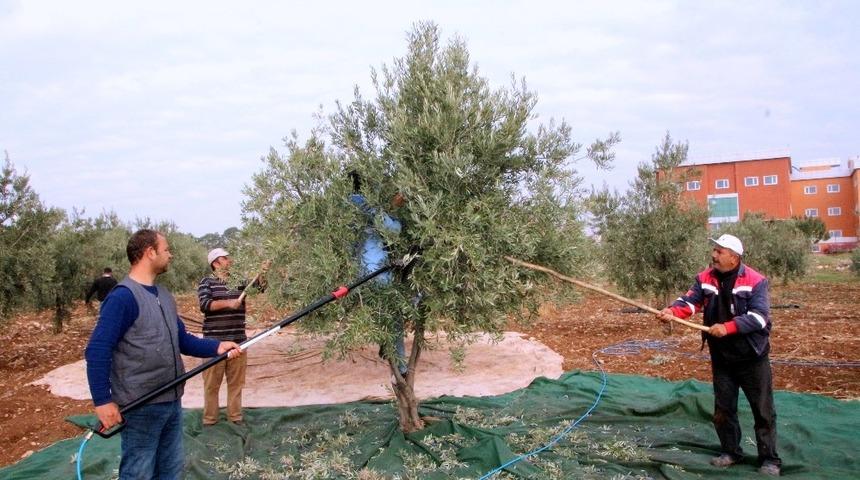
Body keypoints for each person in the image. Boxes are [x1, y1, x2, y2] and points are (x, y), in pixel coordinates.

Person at [85, 229, 242, 480]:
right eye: (166, 249)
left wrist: (217, 347)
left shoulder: (164, 296)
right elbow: (97, 350)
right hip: (140, 405)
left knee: (170, 469)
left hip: (171, 399)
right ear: (150, 252)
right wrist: (103, 401)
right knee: (138, 471)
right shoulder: (122, 297)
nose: (170, 255)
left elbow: (182, 340)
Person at [657, 234, 781, 476]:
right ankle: (731, 451)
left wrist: (728, 327)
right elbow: (691, 302)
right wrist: (672, 311)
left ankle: (770, 460)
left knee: (763, 409)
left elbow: (759, 317)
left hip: (751, 357)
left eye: (719, 251)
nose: (713, 255)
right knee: (724, 408)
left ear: (734, 258)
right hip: (722, 357)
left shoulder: (756, 281)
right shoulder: (706, 278)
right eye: (714, 250)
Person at [349, 172, 408, 377]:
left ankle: (389, 348)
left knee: (391, 316)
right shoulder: (363, 205)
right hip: (375, 273)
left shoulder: (356, 206)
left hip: (371, 272)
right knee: (394, 316)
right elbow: (391, 229)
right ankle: (400, 366)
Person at [197, 248, 262, 426]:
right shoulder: (207, 282)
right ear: (215, 263)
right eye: (225, 258)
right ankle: (210, 419)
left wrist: (262, 273)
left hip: (238, 340)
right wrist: (229, 303)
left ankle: (235, 417)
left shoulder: (239, 281)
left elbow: (260, 287)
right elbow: (205, 304)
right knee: (211, 384)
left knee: (236, 383)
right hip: (213, 343)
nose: (229, 261)